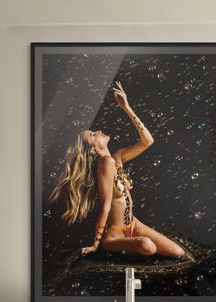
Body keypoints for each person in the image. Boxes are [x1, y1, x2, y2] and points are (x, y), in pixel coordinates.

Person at [49, 82, 185, 258]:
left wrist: (126, 107)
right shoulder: (105, 163)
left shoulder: (117, 157)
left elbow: (148, 141)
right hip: (116, 232)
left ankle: (135, 243)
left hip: (133, 224)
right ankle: (109, 244)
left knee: (179, 252)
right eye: (92, 135)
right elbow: (105, 206)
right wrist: (95, 245)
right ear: (92, 150)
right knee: (148, 247)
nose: (98, 131)